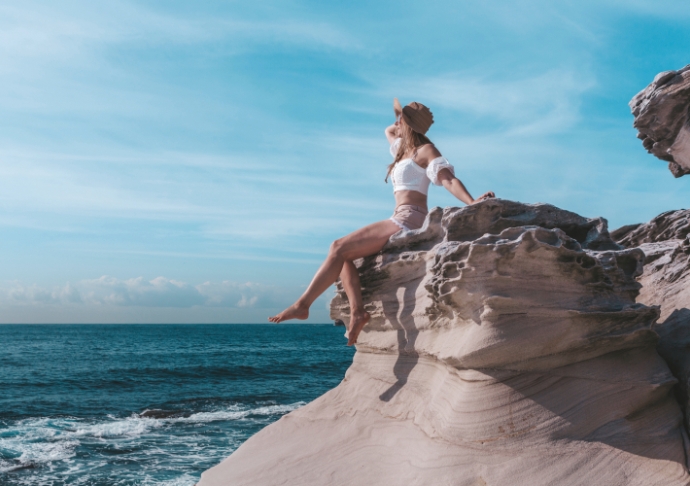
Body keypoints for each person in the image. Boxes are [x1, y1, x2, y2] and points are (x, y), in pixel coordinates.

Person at [268, 99, 495, 345]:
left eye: (402, 120)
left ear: (408, 124)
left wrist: (471, 202)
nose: (396, 123)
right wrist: (402, 117)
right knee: (342, 257)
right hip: (397, 215)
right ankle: (358, 312)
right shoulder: (401, 149)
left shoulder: (426, 151)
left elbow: (448, 179)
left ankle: (303, 305)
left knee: (336, 247)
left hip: (411, 217)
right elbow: (388, 130)